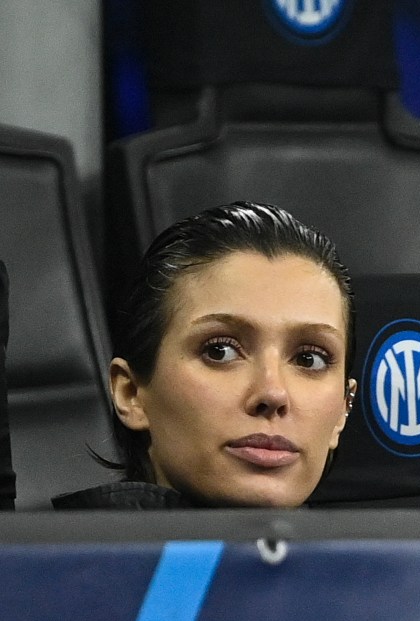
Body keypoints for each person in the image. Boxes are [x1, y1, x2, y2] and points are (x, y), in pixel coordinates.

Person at [53, 201, 357, 509]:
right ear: (130, 393)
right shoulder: (64, 558)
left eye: (310, 359)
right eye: (219, 351)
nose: (273, 393)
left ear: (344, 409)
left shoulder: (378, 557)